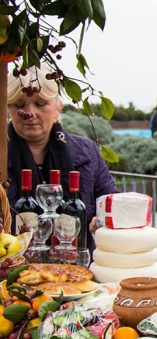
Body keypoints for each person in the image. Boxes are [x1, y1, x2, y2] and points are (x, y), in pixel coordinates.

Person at [7, 66, 118, 249]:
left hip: (76, 264)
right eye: (19, 105)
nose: (29, 112)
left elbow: (111, 202)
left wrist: (102, 220)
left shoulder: (88, 152)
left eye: (40, 104)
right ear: (8, 108)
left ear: (58, 107)